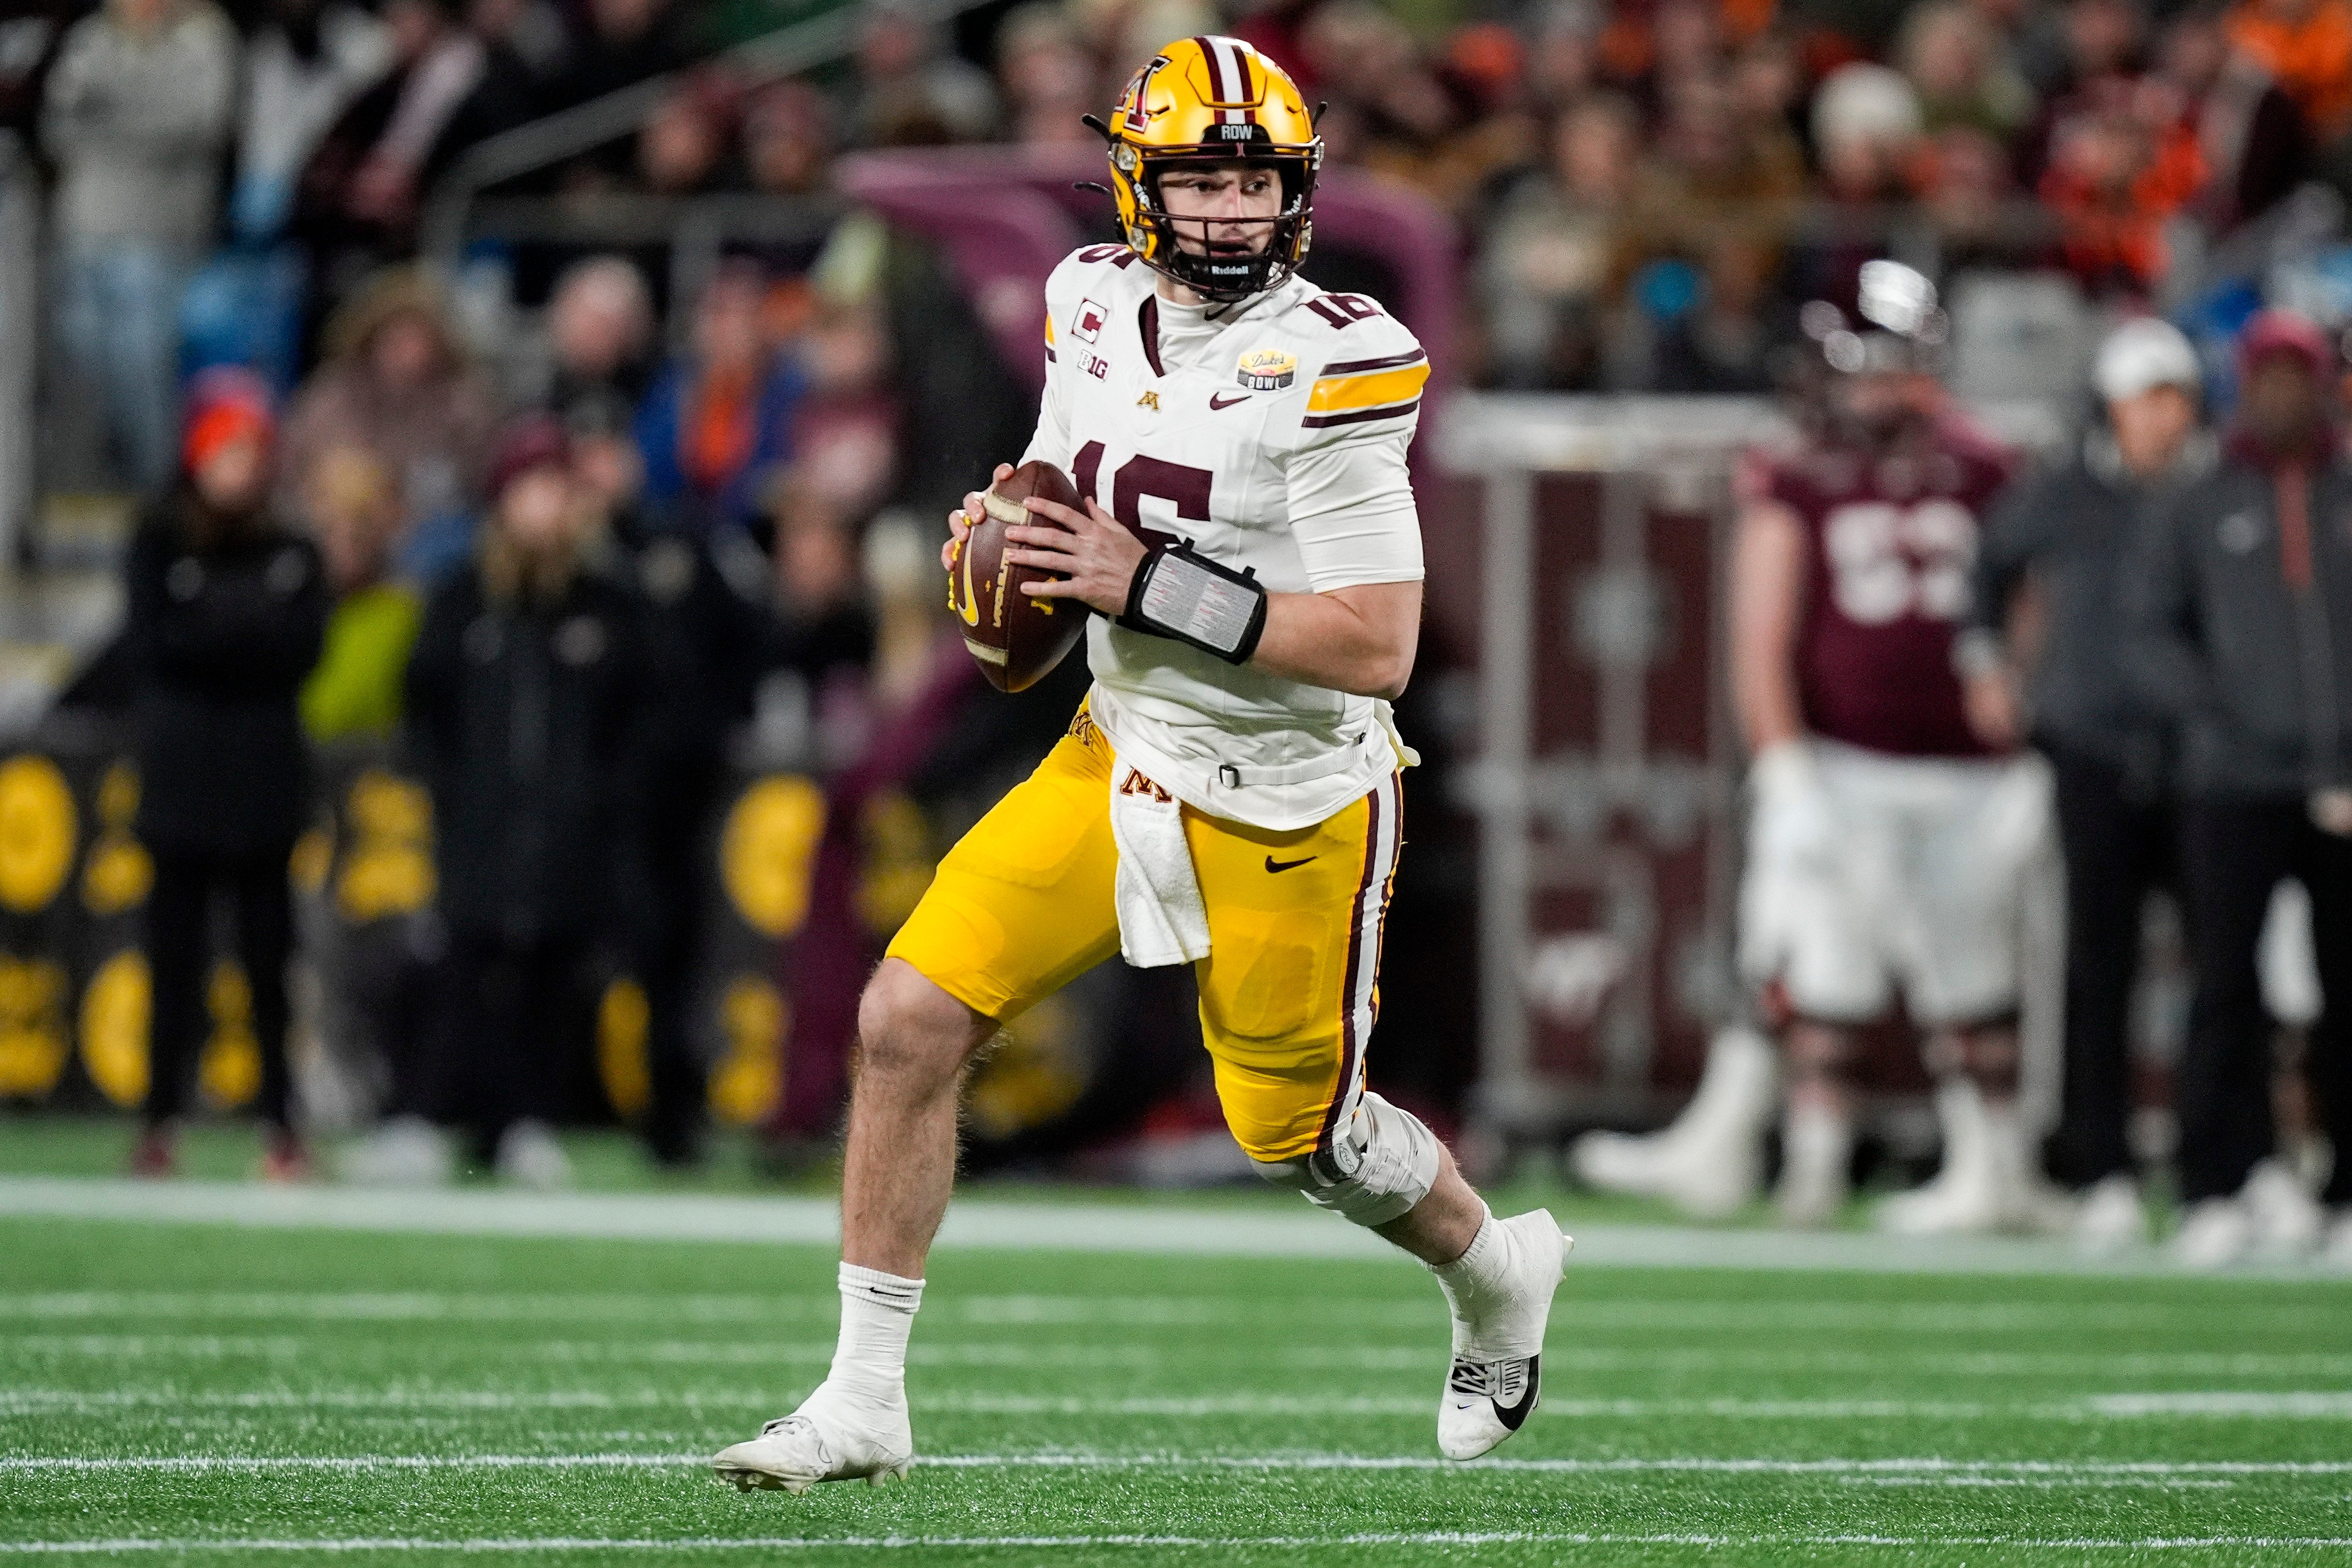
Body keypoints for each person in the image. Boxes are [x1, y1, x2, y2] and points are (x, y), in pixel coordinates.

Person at [711, 37, 1570, 1494]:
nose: (1234, 213)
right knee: (906, 1018)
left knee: (1298, 1135)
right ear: (1138, 185)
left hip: (1295, 793)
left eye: (1257, 184)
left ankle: (1494, 1266)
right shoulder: (1087, 300)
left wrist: (1133, 576)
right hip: (1120, 749)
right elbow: (1064, 487)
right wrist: (1018, 542)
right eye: (1204, 181)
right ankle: (862, 1397)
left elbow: (1374, 644)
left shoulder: (1345, 353)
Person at [1575, 263, 2056, 1235]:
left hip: (1969, 765)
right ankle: (1805, 1162)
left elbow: (2032, 608)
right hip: (1843, 758)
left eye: (1888, 367)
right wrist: (1784, 762)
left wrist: (2030, 736)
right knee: (1814, 955)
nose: (1872, 390)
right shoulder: (1797, 468)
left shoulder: (1986, 464)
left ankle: (1993, 1167)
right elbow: (1760, 630)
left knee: (1973, 965)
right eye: (1859, 370)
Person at [1963, 317, 2213, 1251]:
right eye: (2146, 398)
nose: (2162, 417)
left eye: (2172, 396)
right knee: (2094, 963)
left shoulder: (2212, 490)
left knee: (2214, 970)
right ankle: (2097, 1163)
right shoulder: (2062, 492)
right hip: (2090, 744)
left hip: (2201, 752)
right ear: (2110, 406)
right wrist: (1986, 662)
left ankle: (2214, 1169)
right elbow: (1985, 568)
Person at [2123, 309, 2351, 1266]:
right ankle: (2217, 1177)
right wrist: (2223, 717)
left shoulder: (2344, 491)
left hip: (2340, 780)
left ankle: (2340, 1191)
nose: (2282, 393)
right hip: (2228, 780)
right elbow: (2146, 629)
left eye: (2297, 375)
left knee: (2348, 989)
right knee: (2223, 983)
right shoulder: (2198, 498)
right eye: (2269, 376)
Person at [402, 415, 647, 1186]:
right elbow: (424, 703)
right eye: (530, 487)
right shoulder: (461, 600)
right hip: (481, 823)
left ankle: (530, 1118)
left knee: (550, 974)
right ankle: (439, 1116)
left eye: (556, 487)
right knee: (465, 966)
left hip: (567, 830)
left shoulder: (605, 602)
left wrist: (598, 794)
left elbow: (639, 711)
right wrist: (452, 790)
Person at [122, 371, 329, 1178]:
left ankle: (281, 1126)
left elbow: (297, 652)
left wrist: (212, 629)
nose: (239, 467)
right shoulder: (158, 539)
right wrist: (244, 634)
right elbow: (157, 650)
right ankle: (158, 1122)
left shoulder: (292, 547)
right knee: (174, 967)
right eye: (227, 448)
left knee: (268, 970)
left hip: (264, 790)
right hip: (181, 787)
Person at [41, 0, 238, 494]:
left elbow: (199, 123)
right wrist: (136, 115)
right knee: (80, 378)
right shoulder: (91, 37)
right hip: (82, 232)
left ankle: (156, 497)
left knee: (145, 377)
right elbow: (58, 126)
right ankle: (92, 491)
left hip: (158, 238)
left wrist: (109, 116)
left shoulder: (204, 38)